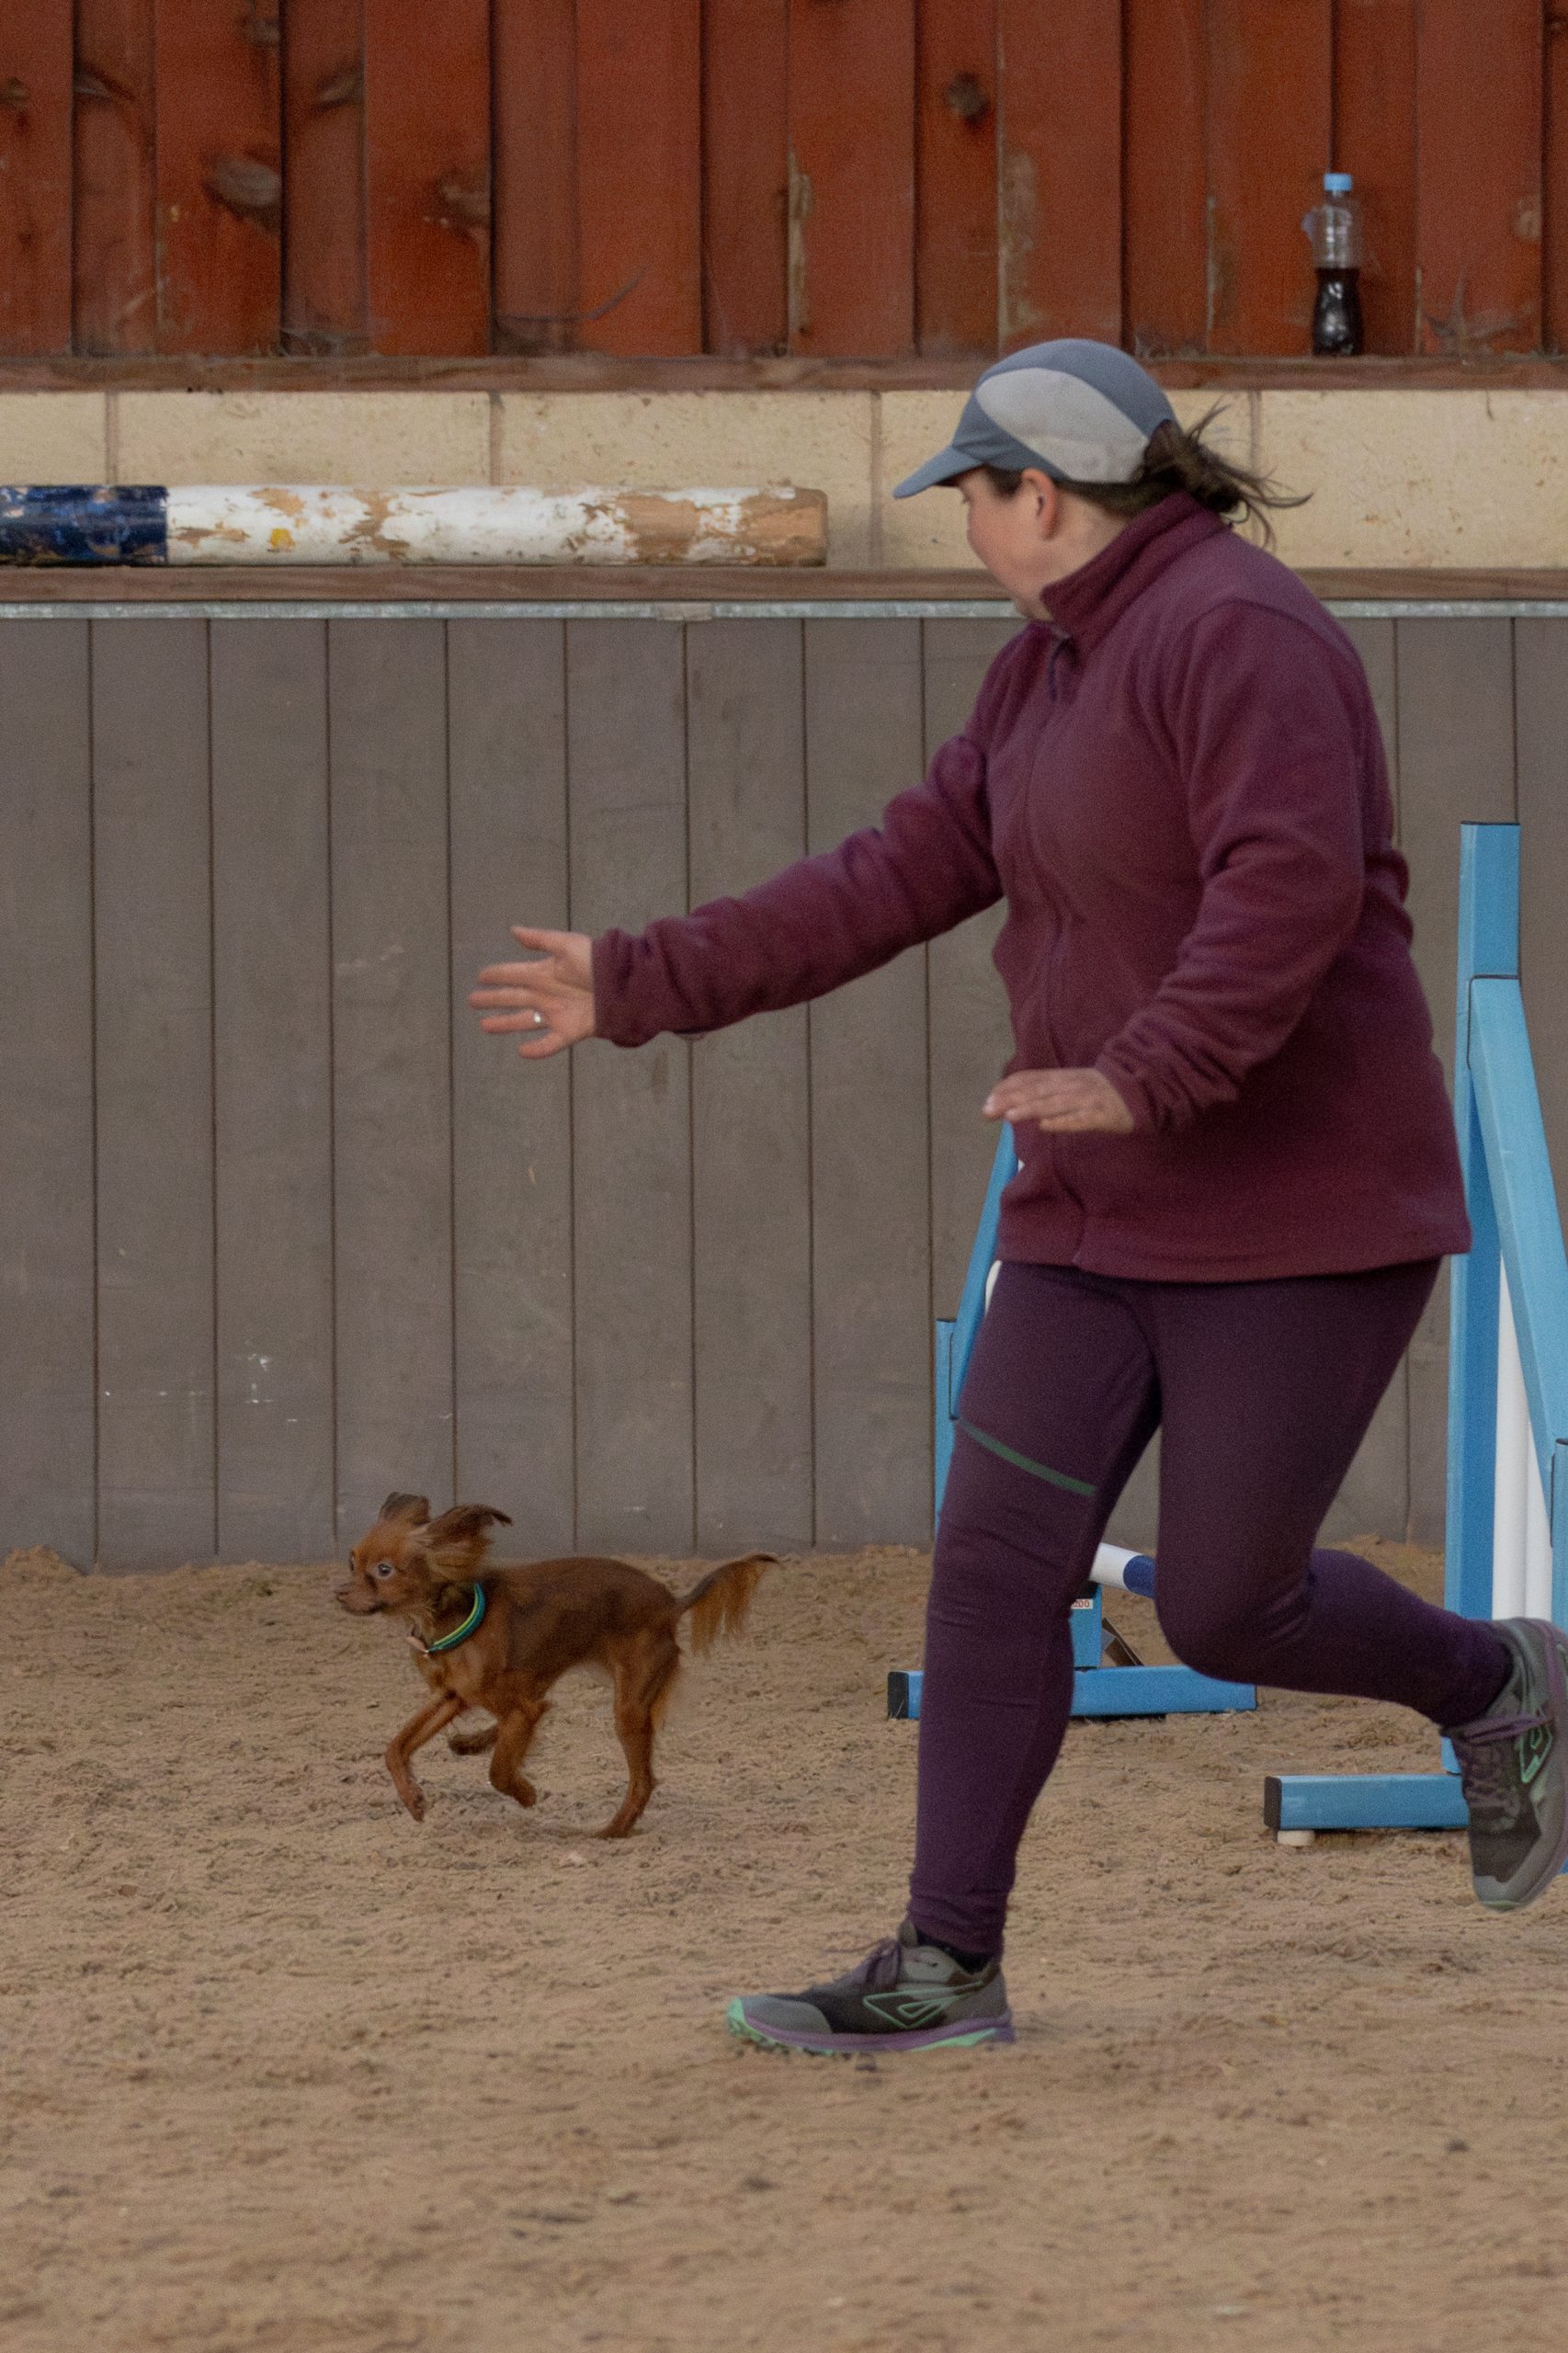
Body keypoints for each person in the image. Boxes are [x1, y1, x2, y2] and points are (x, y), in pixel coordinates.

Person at [470, 340, 1568, 2058]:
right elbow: (898, 870)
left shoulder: (1244, 635)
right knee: (990, 1571)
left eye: (968, 499)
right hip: (1091, 1214)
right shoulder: (1043, 670)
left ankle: (1496, 1682)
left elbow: (1284, 891)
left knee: (1226, 1606)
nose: (966, 529)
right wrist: (645, 978)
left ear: (1036, 496)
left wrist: (1149, 1071)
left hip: (1293, 1218)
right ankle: (943, 1967)